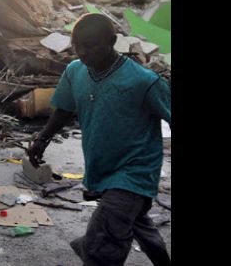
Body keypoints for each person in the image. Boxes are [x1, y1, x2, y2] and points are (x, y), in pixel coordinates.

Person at [27, 13, 171, 265]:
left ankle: (91, 251)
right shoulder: (75, 72)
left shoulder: (144, 82)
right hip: (102, 167)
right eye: (77, 46)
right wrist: (42, 139)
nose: (83, 52)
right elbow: (63, 109)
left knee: (104, 237)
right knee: (134, 220)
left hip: (136, 171)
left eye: (90, 45)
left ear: (112, 41)